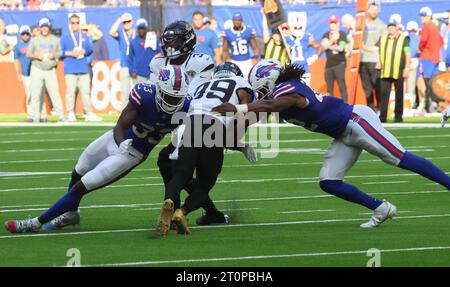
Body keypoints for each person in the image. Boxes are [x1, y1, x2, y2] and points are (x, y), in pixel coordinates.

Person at [213, 59, 450, 229]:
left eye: (261, 89)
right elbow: (256, 116)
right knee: (329, 182)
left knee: (398, 158)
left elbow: (270, 107)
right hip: (343, 133)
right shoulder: (282, 96)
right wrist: (230, 136)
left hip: (355, 121)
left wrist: (237, 107)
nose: (260, 94)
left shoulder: (289, 90)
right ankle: (381, 208)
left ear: (269, 81)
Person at [4, 65, 191, 233]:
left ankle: (35, 223)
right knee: (78, 171)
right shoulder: (146, 95)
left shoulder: (187, 106)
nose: (172, 102)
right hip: (116, 140)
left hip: (132, 154)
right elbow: (120, 126)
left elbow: (186, 133)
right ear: (159, 89)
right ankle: (71, 215)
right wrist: (120, 143)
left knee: (80, 187)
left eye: (177, 98)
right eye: (168, 96)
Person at [149, 21, 256, 227]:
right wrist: (241, 144)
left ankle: (170, 201)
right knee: (205, 183)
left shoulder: (203, 83)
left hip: (189, 123)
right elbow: (239, 123)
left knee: (180, 173)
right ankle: (182, 211)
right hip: (213, 126)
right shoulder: (242, 85)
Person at [61, 14, 101, 122]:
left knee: (86, 92)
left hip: (83, 68)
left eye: (77, 22)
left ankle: (88, 112)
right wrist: (70, 53)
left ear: (80, 23)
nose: (75, 25)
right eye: (73, 22)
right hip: (70, 68)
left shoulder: (84, 36)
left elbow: (90, 49)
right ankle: (70, 113)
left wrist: (84, 51)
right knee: (70, 92)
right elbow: (59, 52)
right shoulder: (65, 37)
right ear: (70, 24)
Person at [27, 18, 64, 123]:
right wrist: (36, 56)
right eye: (42, 26)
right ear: (40, 28)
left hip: (50, 69)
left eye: (46, 26)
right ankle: (35, 117)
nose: (44, 29)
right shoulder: (35, 40)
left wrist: (54, 55)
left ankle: (61, 116)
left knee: (55, 93)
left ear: (49, 27)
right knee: (36, 94)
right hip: (37, 68)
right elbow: (28, 54)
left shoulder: (55, 39)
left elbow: (60, 53)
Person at [377, 18, 411, 123]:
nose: (391, 29)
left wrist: (407, 67)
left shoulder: (403, 39)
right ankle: (382, 117)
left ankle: (398, 116)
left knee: (399, 95)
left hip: (398, 71)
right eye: (389, 28)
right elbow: (376, 50)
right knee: (384, 95)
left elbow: (407, 53)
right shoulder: (383, 38)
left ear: (397, 28)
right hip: (385, 71)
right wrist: (378, 61)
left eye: (393, 27)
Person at [417, 7, 444, 113]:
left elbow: (423, 40)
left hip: (426, 58)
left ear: (429, 16)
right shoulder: (435, 27)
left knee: (426, 83)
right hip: (435, 58)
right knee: (433, 83)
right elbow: (441, 41)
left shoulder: (426, 27)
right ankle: (434, 105)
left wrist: (420, 48)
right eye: (421, 16)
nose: (421, 18)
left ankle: (428, 107)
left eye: (423, 16)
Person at [360, 2, 386, 111]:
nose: (374, 11)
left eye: (376, 9)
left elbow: (383, 45)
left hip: (375, 60)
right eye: (372, 9)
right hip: (362, 60)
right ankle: (370, 109)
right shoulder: (361, 24)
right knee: (367, 88)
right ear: (367, 10)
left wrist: (380, 60)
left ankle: (380, 109)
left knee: (377, 87)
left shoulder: (382, 25)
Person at [283, 14, 322, 85]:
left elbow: (320, 47)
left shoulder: (307, 38)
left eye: (299, 27)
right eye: (295, 27)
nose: (297, 29)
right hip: (291, 71)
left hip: (304, 71)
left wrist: (314, 57)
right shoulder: (286, 39)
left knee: (305, 93)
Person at [222, 12, 261, 77]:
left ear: (242, 20)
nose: (237, 22)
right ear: (232, 21)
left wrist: (257, 60)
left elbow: (255, 48)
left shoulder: (248, 31)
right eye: (235, 20)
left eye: (238, 20)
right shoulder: (227, 32)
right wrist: (225, 63)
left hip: (247, 62)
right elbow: (225, 50)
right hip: (234, 61)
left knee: (247, 81)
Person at [109, 13, 135, 110]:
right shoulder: (120, 34)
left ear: (132, 22)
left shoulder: (136, 34)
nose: (126, 24)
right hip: (125, 66)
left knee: (139, 92)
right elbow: (111, 32)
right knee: (124, 92)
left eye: (128, 21)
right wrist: (119, 20)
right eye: (124, 22)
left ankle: (141, 115)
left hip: (136, 66)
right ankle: (124, 115)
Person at [321, 14, 348, 102]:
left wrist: (329, 45)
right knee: (329, 87)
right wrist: (332, 40)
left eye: (334, 23)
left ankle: (346, 105)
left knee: (341, 85)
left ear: (338, 23)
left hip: (339, 63)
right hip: (329, 64)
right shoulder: (326, 34)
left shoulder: (342, 34)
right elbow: (324, 47)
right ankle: (330, 106)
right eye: (331, 23)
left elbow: (341, 48)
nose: (333, 25)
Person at [128, 18, 161, 85]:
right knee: (140, 94)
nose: (141, 30)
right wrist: (131, 71)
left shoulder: (154, 39)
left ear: (146, 28)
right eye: (140, 28)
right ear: (137, 29)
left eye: (143, 28)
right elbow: (130, 58)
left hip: (152, 73)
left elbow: (160, 52)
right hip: (139, 74)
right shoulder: (133, 42)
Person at [13, 25, 34, 122]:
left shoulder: (33, 43)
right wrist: (18, 73)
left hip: (35, 72)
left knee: (37, 93)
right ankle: (30, 114)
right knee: (29, 94)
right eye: (23, 34)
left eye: (27, 34)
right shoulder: (17, 46)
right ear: (20, 35)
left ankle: (38, 113)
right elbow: (16, 60)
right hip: (25, 73)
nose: (25, 36)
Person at [405, 21, 420, 110]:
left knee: (409, 85)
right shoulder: (419, 38)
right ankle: (411, 104)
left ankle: (408, 105)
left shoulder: (406, 38)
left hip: (409, 62)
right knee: (413, 85)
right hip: (415, 61)